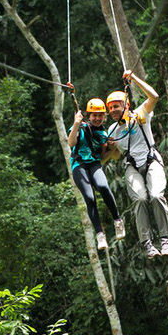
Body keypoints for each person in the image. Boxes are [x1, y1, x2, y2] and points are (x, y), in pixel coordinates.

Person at [105, 70, 168, 259]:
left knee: (157, 195)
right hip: (131, 166)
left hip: (151, 160)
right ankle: (148, 243)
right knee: (141, 199)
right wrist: (108, 150)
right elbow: (115, 156)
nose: (112, 111)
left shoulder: (140, 114)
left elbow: (154, 96)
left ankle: (165, 240)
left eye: (116, 106)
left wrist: (133, 78)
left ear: (126, 105)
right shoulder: (112, 130)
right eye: (110, 108)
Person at [68, 98, 125, 250]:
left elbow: (110, 157)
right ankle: (100, 235)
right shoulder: (81, 127)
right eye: (94, 115)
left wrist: (112, 147)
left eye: (100, 115)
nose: (97, 118)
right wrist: (75, 123)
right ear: (89, 115)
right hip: (79, 165)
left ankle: (118, 221)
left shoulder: (103, 134)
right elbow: (71, 143)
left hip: (94, 164)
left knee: (103, 186)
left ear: (104, 117)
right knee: (89, 197)